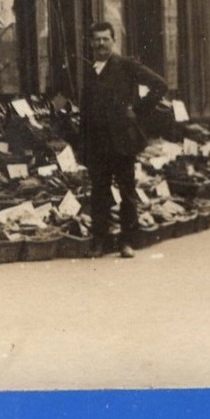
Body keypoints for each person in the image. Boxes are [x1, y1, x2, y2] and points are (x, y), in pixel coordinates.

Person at [79, 21, 169, 259]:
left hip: (121, 141)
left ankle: (127, 242)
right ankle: (100, 241)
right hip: (98, 143)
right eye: (96, 40)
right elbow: (86, 108)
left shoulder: (126, 65)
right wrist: (83, 143)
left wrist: (137, 110)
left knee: (127, 192)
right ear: (90, 43)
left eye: (105, 39)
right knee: (99, 193)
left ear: (113, 41)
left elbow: (160, 85)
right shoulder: (90, 70)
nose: (100, 44)